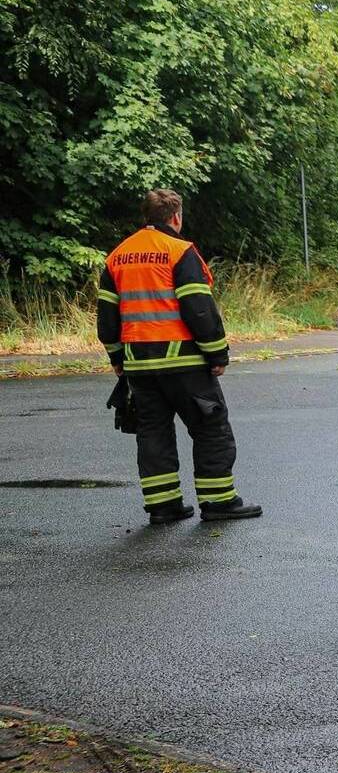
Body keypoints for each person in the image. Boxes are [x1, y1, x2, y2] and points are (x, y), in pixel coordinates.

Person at [97, 190, 261, 524]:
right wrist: (217, 353)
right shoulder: (179, 251)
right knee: (210, 428)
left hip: (139, 367)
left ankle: (164, 506)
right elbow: (199, 308)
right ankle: (218, 501)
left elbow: (107, 318)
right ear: (176, 217)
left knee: (153, 433)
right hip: (185, 363)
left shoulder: (117, 256)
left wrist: (117, 357)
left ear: (146, 216)